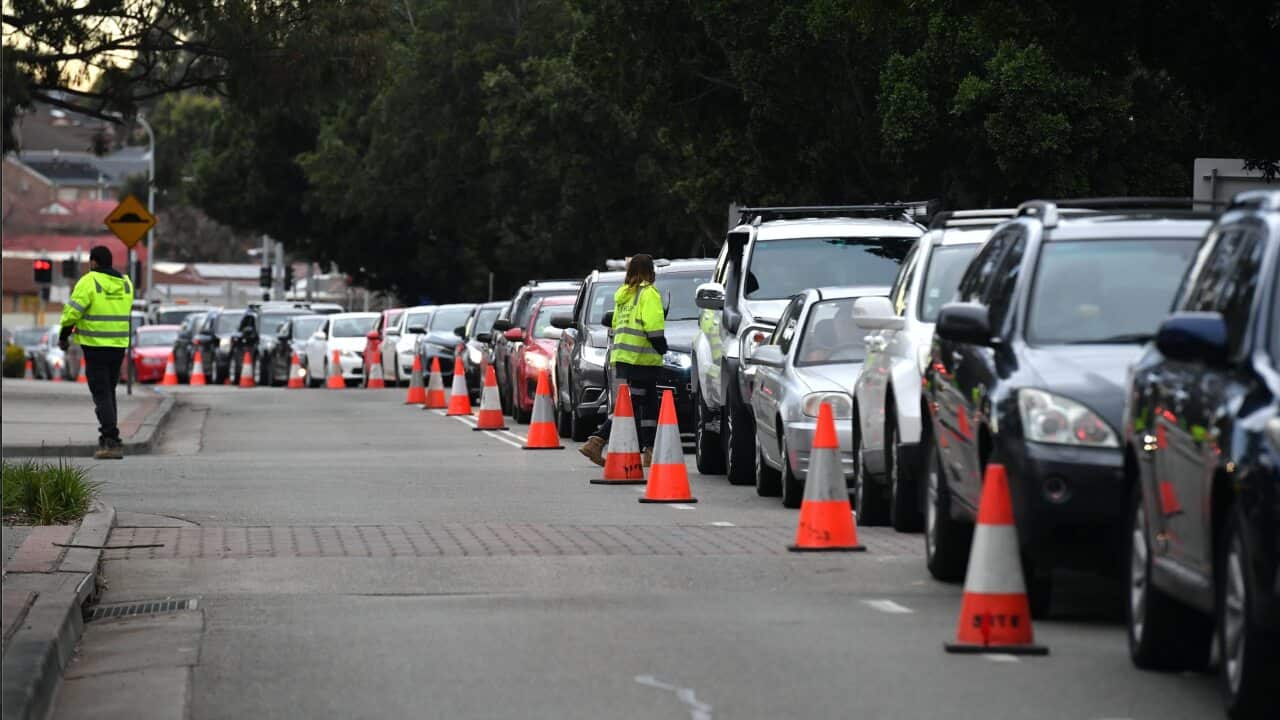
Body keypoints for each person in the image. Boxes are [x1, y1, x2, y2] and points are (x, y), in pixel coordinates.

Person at [578, 254, 667, 467]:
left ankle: (649, 450)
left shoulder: (624, 296)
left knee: (648, 403)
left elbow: (617, 325)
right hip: (642, 359)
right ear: (650, 272)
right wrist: (662, 348)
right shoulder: (649, 294)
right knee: (633, 403)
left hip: (625, 359)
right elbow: (653, 328)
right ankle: (597, 440)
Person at [59, 245, 134, 459]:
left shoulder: (89, 281)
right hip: (118, 346)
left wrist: (64, 336)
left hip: (94, 346)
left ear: (94, 262)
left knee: (101, 393)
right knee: (109, 392)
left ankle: (111, 440)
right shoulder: (126, 284)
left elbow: (72, 313)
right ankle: (109, 437)